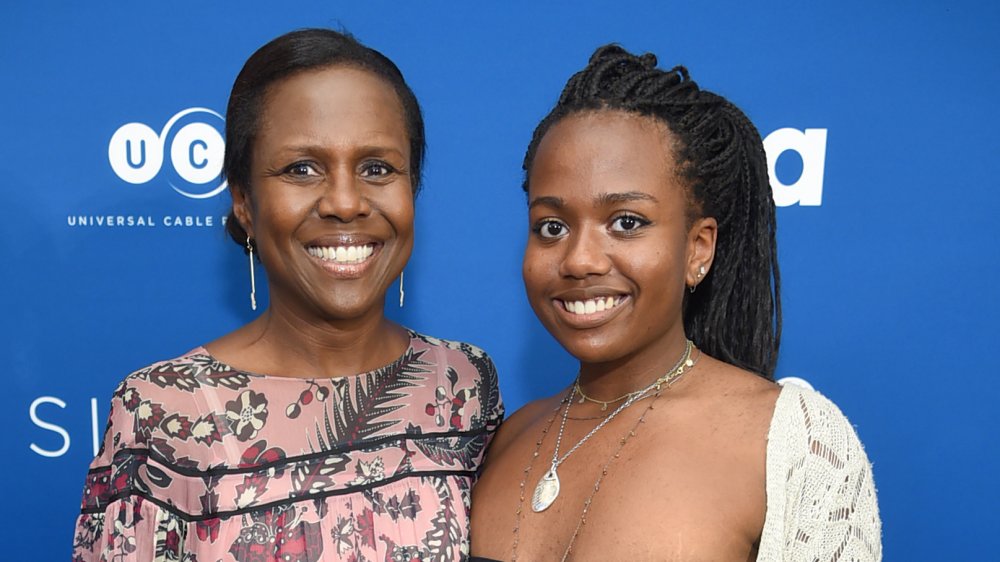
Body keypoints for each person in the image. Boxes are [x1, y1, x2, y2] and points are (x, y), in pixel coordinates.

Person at [72, 29, 502, 562]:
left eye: (377, 168)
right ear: (244, 201)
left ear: (412, 188)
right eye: (302, 169)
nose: (346, 202)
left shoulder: (463, 382)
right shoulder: (160, 411)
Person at [470, 45, 880, 561]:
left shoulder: (788, 444)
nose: (579, 259)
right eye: (551, 227)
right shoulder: (507, 439)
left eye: (626, 222)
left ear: (698, 249)